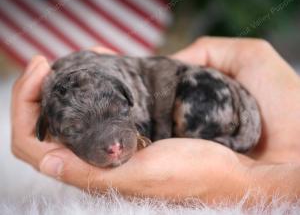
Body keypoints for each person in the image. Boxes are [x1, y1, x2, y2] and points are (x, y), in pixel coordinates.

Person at [11, 37, 300, 206]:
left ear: (127, 95)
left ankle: (220, 140)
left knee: (196, 93)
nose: (112, 145)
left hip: (215, 101)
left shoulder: (124, 81)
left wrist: (247, 179)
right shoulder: (50, 104)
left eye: (118, 111)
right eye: (75, 128)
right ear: (46, 126)